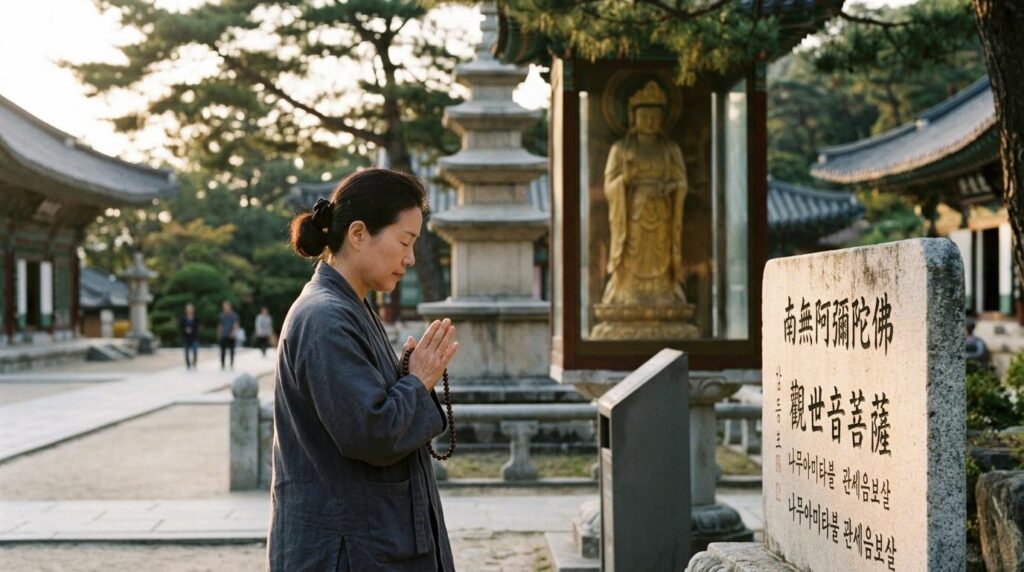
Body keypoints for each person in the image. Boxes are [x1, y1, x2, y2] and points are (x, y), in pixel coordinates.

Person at [268, 168, 459, 571]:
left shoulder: (348, 307)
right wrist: (418, 379)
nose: (409, 257)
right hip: (347, 550)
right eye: (404, 241)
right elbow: (370, 434)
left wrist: (404, 380)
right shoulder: (325, 318)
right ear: (358, 234)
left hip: (365, 541)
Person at [217, 301, 239, 370]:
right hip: (224, 335)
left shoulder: (234, 316)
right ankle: (223, 364)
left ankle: (231, 364)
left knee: (232, 350)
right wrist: (219, 334)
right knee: (222, 351)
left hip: (231, 336)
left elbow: (236, 325)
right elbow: (220, 325)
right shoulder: (222, 316)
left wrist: (233, 333)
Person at [180, 303, 199, 369]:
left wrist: (192, 330)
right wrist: (186, 330)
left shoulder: (195, 318)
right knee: (186, 351)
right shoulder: (183, 318)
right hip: (186, 337)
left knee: (195, 350)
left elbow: (197, 328)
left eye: (190, 309)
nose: (189, 310)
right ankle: (188, 364)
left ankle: (194, 363)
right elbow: (181, 327)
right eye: (188, 309)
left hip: (193, 337)